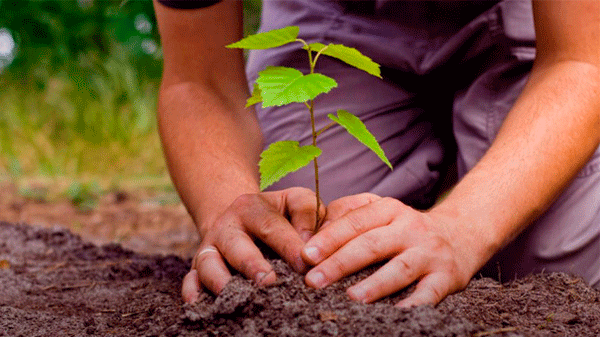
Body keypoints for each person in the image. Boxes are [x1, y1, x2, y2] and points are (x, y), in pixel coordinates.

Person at [153, 0, 600, 307]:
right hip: (336, 16)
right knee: (309, 237)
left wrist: (463, 228)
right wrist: (227, 210)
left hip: (537, 21)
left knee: (553, 258)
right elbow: (199, 79)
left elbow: (581, 61)